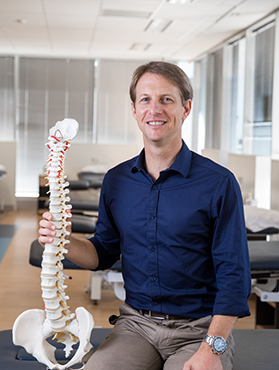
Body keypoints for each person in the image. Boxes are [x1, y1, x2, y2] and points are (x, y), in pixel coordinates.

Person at [39, 61, 251, 370]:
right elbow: (103, 253)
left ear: (186, 108)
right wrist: (63, 241)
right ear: (135, 109)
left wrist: (213, 347)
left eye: (167, 99)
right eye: (146, 100)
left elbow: (235, 274)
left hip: (199, 330)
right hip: (136, 326)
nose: (155, 109)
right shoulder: (116, 180)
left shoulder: (218, 183)